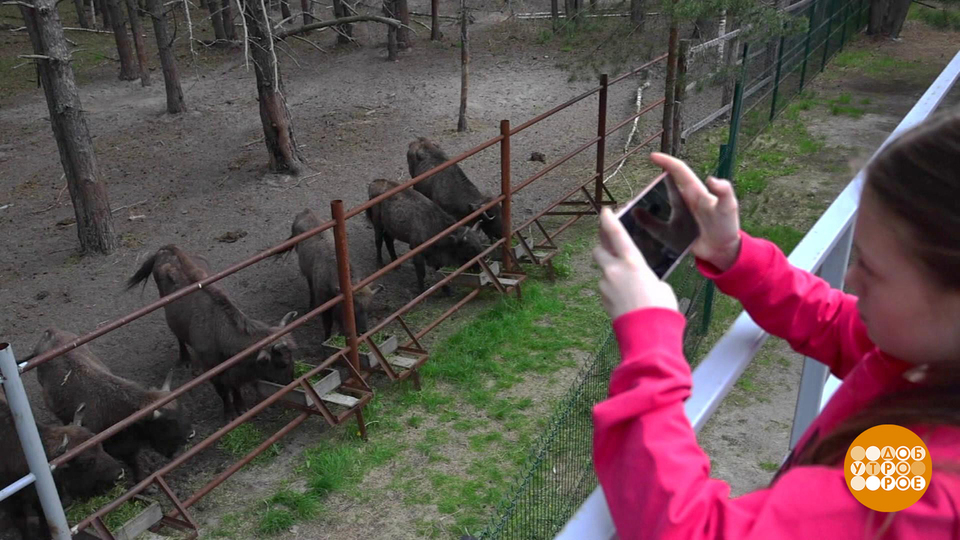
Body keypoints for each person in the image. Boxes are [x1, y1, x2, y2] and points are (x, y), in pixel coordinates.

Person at [591, 111, 960, 539]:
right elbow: (838, 324)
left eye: (872, 268)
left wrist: (649, 341)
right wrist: (736, 257)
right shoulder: (922, 365)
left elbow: (693, 530)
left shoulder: (930, 495)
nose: (851, 279)